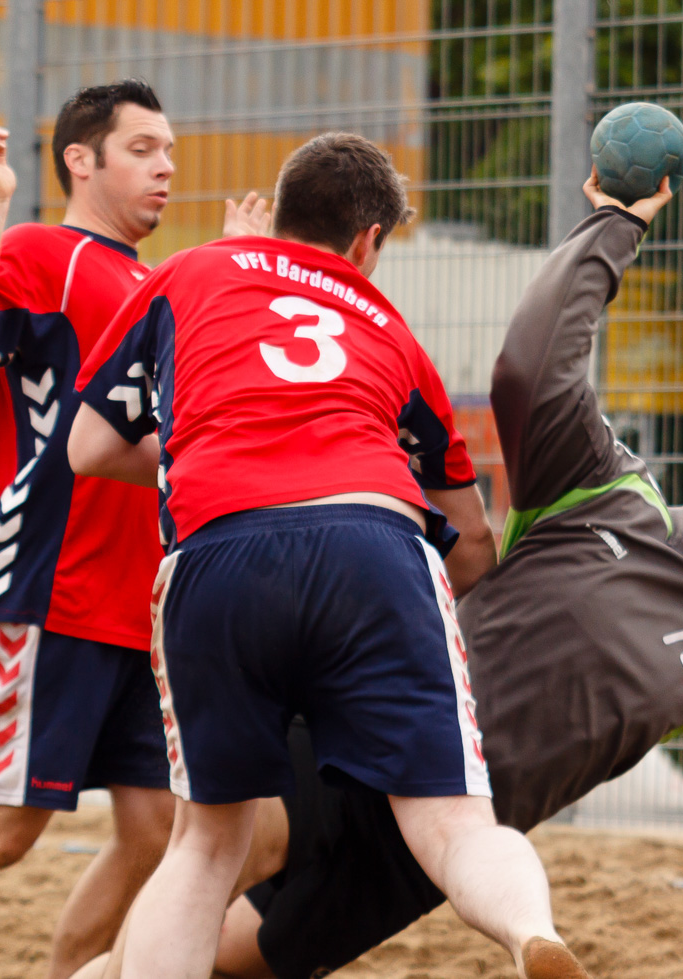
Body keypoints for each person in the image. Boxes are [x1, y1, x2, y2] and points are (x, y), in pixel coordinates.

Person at [98, 171, 683, 979]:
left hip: (450, 841)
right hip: (373, 724)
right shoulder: (606, 489)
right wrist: (616, 223)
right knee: (229, 848)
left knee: (229, 959)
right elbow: (536, 368)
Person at [69, 132, 591, 979]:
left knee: (204, 844)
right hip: (374, 543)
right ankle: (531, 930)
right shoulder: (391, 328)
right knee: (454, 823)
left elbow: (87, 449)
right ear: (367, 241)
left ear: (278, 214)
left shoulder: (192, 272)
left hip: (220, 544)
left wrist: (204, 444)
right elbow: (472, 536)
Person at [0, 81, 266, 979]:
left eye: (170, 150)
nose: (168, 167)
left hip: (144, 607)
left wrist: (229, 277)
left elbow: (188, 436)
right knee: (1, 831)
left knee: (158, 833)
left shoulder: (162, 283)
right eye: (145, 148)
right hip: (52, 585)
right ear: (82, 159)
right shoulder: (47, 251)